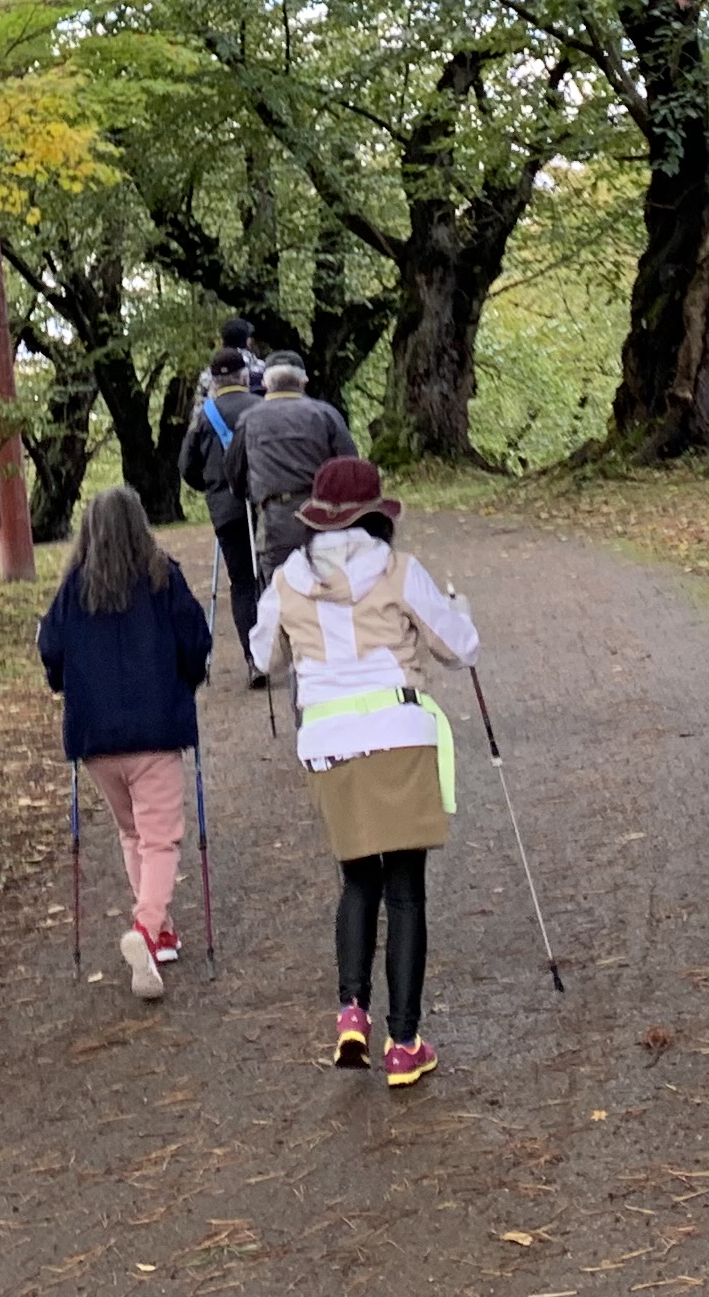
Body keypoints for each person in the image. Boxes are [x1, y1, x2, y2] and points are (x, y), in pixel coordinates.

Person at [250, 455, 476, 1088]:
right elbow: (460, 648)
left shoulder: (287, 580)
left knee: (357, 882)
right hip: (397, 731)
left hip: (327, 740)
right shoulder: (398, 571)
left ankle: (352, 1012)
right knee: (405, 892)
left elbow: (262, 658)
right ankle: (404, 1043)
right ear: (375, 514)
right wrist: (459, 606)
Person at [37, 486, 214, 1000]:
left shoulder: (73, 589)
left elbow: (51, 650)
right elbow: (196, 642)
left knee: (133, 833)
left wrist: (64, 682)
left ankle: (157, 929)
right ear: (140, 525)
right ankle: (145, 928)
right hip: (155, 732)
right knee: (160, 838)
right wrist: (189, 678)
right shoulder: (163, 578)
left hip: (95, 741)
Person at [177, 349, 266, 680]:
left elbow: (187, 467)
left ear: (213, 381)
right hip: (263, 503)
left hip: (225, 509)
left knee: (241, 582)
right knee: (273, 576)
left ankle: (254, 659)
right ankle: (286, 649)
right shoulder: (262, 408)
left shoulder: (203, 416)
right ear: (245, 377)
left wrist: (212, 488)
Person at [236, 355, 357, 580]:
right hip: (325, 520)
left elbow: (234, 473)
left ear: (265, 384)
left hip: (274, 525)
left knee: (279, 599)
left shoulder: (248, 420)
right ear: (303, 382)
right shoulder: (326, 414)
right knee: (331, 596)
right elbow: (350, 469)